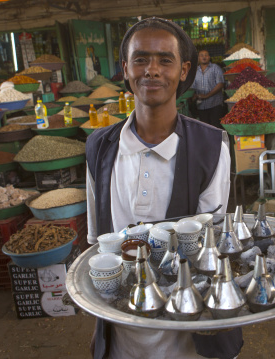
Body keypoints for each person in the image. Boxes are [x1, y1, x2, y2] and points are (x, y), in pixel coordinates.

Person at [86, 17, 241, 359]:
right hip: (122, 330)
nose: (152, 70)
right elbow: (98, 243)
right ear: (125, 68)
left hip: (187, 333)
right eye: (140, 59)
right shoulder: (98, 147)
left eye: (165, 60)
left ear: (184, 70)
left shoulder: (211, 145)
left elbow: (209, 244)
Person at [191, 49, 225, 128]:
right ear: (198, 58)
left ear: (209, 57)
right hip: (201, 106)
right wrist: (193, 96)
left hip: (215, 104)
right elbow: (192, 87)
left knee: (215, 127)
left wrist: (207, 95)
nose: (204, 57)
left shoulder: (215, 68)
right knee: (205, 129)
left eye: (206, 55)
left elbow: (220, 84)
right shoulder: (195, 71)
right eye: (201, 55)